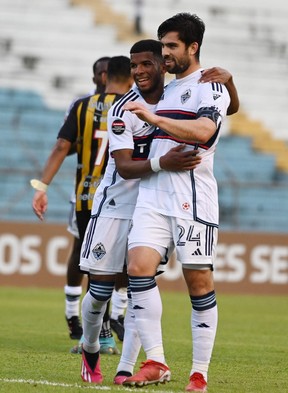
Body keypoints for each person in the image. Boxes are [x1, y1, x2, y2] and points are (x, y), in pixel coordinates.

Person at [78, 38, 239, 386]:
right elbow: (123, 167)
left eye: (146, 64)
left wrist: (230, 84)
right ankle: (90, 344)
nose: (138, 71)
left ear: (163, 65)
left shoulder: (175, 95)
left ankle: (132, 365)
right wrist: (162, 162)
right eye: (134, 66)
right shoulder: (125, 108)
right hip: (116, 205)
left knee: (139, 283)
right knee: (99, 294)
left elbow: (220, 109)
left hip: (152, 202)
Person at [120, 13, 233, 392]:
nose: (164, 54)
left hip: (192, 198)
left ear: (193, 47)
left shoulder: (208, 87)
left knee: (197, 281)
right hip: (154, 192)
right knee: (138, 268)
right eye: (162, 46)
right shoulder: (165, 89)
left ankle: (198, 373)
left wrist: (154, 119)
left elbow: (205, 131)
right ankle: (155, 360)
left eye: (171, 46)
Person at [30, 55, 133, 353]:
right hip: (125, 198)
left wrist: (42, 187)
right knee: (126, 266)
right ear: (130, 77)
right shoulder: (133, 106)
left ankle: (99, 335)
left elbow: (62, 146)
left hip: (88, 198)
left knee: (93, 267)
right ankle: (115, 329)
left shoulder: (82, 106)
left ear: (105, 76)